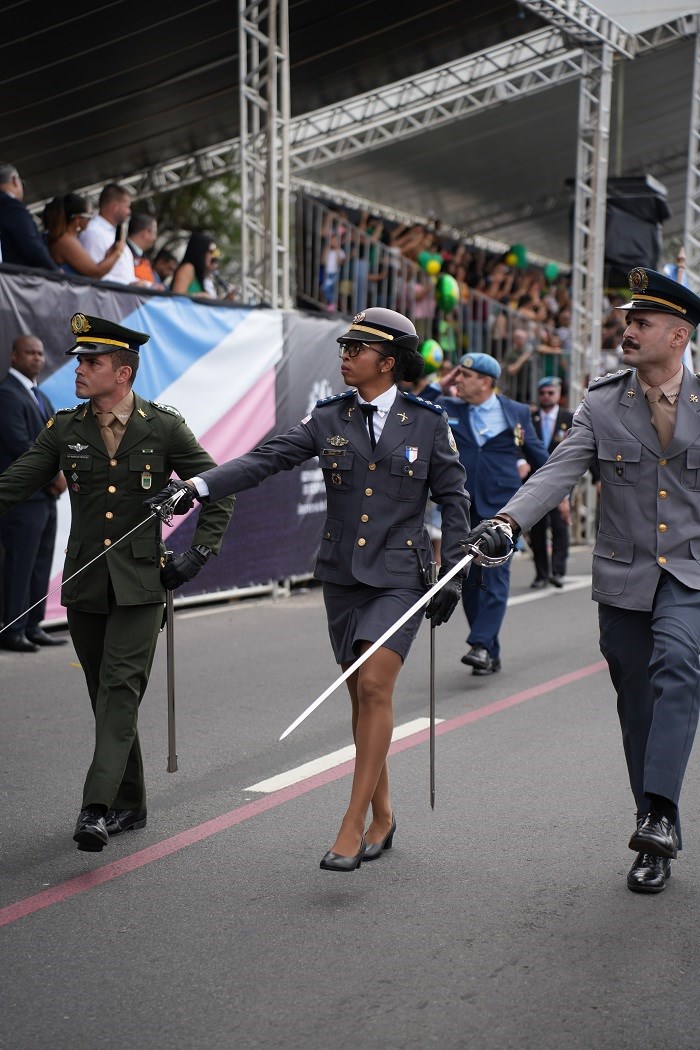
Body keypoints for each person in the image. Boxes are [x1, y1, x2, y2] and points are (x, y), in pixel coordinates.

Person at [148, 307, 471, 871]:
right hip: (342, 575)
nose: (345, 354)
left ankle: (350, 824)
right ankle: (385, 813)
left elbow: (454, 498)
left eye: (357, 348)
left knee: (374, 683)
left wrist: (456, 567)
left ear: (388, 362)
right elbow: (263, 461)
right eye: (343, 346)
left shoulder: (427, 422)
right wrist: (198, 486)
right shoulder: (328, 418)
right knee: (360, 693)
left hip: (400, 575)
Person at [466, 267, 700, 895]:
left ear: (677, 337)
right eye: (627, 320)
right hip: (624, 576)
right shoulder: (601, 401)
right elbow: (556, 474)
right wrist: (506, 523)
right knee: (635, 701)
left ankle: (657, 818)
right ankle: (656, 820)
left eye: (641, 322)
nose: (627, 330)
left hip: (691, 572)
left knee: (679, 662)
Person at [0, 313, 234, 851]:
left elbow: (220, 487)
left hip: (140, 587)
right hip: (85, 586)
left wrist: (197, 554)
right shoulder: (65, 427)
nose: (78, 369)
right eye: (79, 360)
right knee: (101, 695)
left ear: (123, 372)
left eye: (92, 362)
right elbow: (15, 483)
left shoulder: (163, 426)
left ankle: (96, 807)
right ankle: (131, 802)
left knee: (120, 691)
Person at [430, 353, 548, 676]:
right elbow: (413, 405)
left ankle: (480, 644)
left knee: (494, 577)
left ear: (485, 382)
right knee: (468, 580)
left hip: (502, 512)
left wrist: (546, 499)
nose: (458, 380)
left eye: (465, 375)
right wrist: (439, 384)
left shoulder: (517, 413)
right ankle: (490, 651)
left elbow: (543, 460)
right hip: (461, 509)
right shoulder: (448, 407)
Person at [0, 335, 67, 652]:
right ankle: (11, 630)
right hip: (22, 498)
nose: (37, 358)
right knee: (20, 563)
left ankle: (32, 624)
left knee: (40, 562)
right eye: (30, 352)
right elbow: (20, 446)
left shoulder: (38, 394)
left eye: (41, 353)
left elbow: (54, 442)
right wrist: (54, 476)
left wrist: (61, 471)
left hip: (45, 497)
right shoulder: (7, 395)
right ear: (14, 356)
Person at [528, 376, 573, 589]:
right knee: (537, 529)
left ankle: (557, 571)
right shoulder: (530, 418)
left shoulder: (569, 418)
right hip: (535, 482)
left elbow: (582, 449)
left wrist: (598, 477)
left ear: (558, 395)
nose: (546, 397)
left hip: (560, 482)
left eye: (551, 393)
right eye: (543, 393)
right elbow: (520, 446)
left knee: (560, 527)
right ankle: (541, 573)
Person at [42, 192, 126, 278]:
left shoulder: (65, 238)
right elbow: (96, 272)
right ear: (77, 219)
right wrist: (118, 251)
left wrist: (109, 255)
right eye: (89, 216)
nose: (90, 220)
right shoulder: (65, 240)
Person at [0, 162, 60, 272]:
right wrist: (55, 272)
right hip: (20, 279)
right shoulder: (11, 206)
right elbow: (32, 247)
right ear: (14, 180)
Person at [79, 182, 139, 285]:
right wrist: (129, 285)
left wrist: (147, 285)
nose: (129, 212)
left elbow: (124, 275)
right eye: (127, 207)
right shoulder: (93, 232)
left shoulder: (111, 232)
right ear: (115, 207)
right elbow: (93, 275)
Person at [170, 232, 222, 300]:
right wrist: (198, 296)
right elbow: (177, 296)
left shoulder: (197, 273)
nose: (211, 256)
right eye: (210, 251)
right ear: (200, 250)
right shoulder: (187, 268)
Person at [126, 213, 158, 283]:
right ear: (146, 233)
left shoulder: (142, 257)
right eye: (154, 233)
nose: (155, 238)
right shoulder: (122, 252)